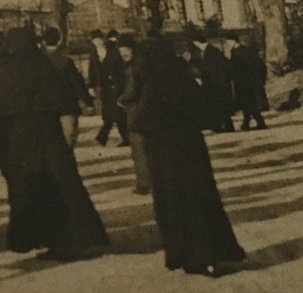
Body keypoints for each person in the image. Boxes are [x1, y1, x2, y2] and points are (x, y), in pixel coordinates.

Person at [0, 26, 109, 260]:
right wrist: (68, 138)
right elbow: (64, 106)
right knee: (61, 188)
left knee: (28, 189)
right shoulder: (44, 66)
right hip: (48, 137)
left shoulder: (0, 71)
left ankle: (32, 238)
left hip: (17, 140)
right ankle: (75, 240)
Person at [130, 37, 244, 278]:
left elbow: (139, 120)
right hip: (191, 148)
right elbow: (204, 110)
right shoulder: (182, 76)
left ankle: (190, 256)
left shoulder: (152, 81)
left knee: (174, 203)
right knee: (200, 198)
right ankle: (212, 253)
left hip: (163, 152)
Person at [41, 26, 91, 148]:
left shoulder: (37, 61)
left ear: (43, 42)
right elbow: (77, 84)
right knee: (68, 142)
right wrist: (87, 101)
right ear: (59, 41)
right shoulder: (66, 62)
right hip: (66, 106)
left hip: (45, 108)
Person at [115, 35, 151, 195]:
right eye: (121, 51)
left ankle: (143, 184)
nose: (123, 53)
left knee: (138, 150)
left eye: (125, 50)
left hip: (136, 113)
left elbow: (131, 91)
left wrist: (121, 100)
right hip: (149, 112)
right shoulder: (146, 64)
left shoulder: (131, 68)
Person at [89, 29, 130, 148]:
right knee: (113, 112)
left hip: (116, 85)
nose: (98, 42)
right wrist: (91, 86)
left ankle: (103, 137)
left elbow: (120, 66)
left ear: (103, 39)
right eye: (95, 40)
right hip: (104, 87)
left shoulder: (112, 49)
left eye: (99, 40)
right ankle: (124, 137)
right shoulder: (93, 52)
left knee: (114, 111)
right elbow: (92, 70)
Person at [198, 33, 237, 133]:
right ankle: (224, 126)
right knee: (218, 106)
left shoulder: (211, 52)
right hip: (215, 83)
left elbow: (221, 67)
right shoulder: (210, 51)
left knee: (220, 106)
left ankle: (225, 126)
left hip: (217, 83)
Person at [229, 36, 270, 130]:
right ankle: (249, 123)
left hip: (242, 82)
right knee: (249, 103)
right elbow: (261, 65)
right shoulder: (250, 51)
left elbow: (233, 68)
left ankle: (256, 123)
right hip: (251, 81)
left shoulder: (236, 53)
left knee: (248, 103)